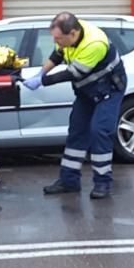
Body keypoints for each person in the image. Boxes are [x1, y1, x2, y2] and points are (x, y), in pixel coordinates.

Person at [23, 12, 127, 200]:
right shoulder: (69, 35)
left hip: (108, 91)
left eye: (59, 39)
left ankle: (103, 183)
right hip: (87, 91)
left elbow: (72, 73)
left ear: (72, 33)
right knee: (77, 132)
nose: (57, 42)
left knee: (99, 132)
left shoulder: (94, 44)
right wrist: (40, 73)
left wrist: (42, 81)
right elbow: (57, 54)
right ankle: (69, 181)